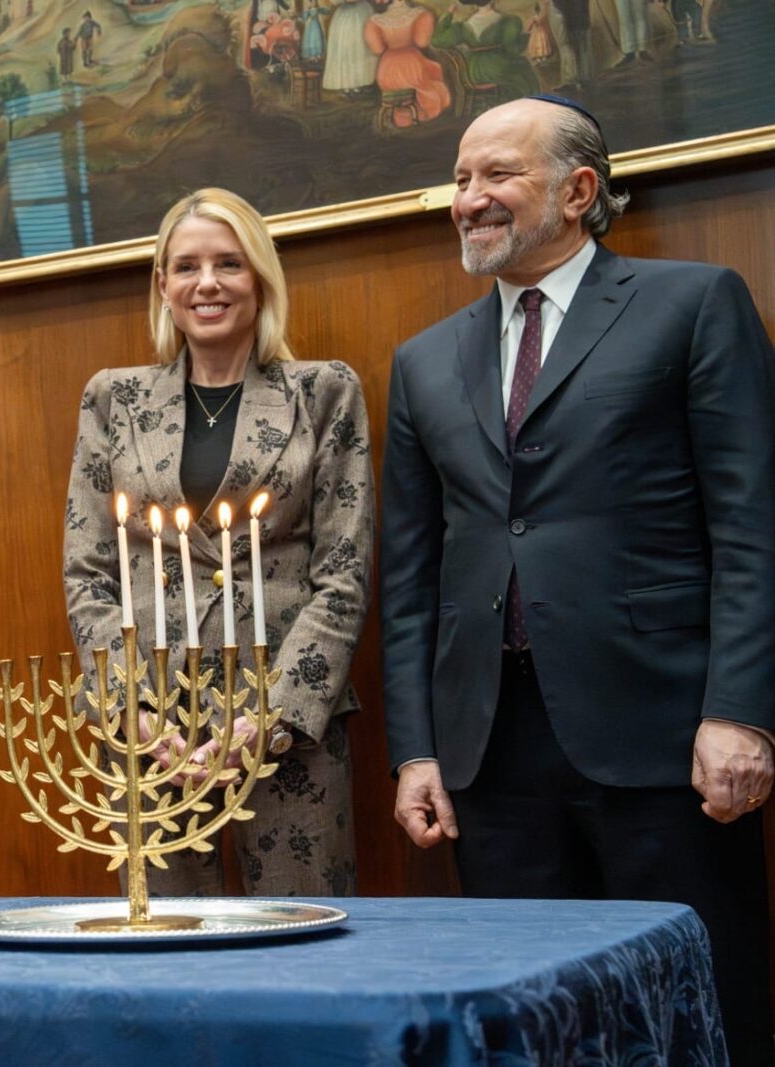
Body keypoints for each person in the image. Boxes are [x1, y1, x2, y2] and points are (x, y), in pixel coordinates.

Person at [381, 97, 775, 1065]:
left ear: (578, 190)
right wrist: (415, 748)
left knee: (697, 1013)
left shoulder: (692, 304)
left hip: (665, 742)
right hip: (489, 756)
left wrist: (741, 711)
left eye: (496, 175)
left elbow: (752, 525)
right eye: (460, 179)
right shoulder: (422, 361)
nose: (468, 198)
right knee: (531, 1030)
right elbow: (411, 573)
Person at [63, 188, 373, 898]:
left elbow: (344, 574)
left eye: (228, 263)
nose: (207, 283)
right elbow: (88, 570)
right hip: (150, 729)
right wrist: (130, 708)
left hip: (288, 727)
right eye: (187, 266)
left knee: (300, 932)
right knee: (165, 939)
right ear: (163, 286)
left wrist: (272, 717)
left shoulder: (323, 391)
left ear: (260, 277)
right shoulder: (114, 399)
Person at [363, 0, 451, 126]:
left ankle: (399, 115)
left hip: (387, 71)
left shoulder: (374, 21)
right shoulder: (421, 15)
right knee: (432, 79)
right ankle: (414, 113)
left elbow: (378, 49)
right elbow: (422, 42)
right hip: (412, 66)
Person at [432, 0, 540, 100]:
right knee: (523, 67)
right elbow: (514, 49)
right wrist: (527, 33)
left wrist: (449, 13)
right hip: (496, 68)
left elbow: (437, 40)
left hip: (471, 72)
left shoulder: (462, 26)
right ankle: (530, 103)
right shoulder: (508, 21)